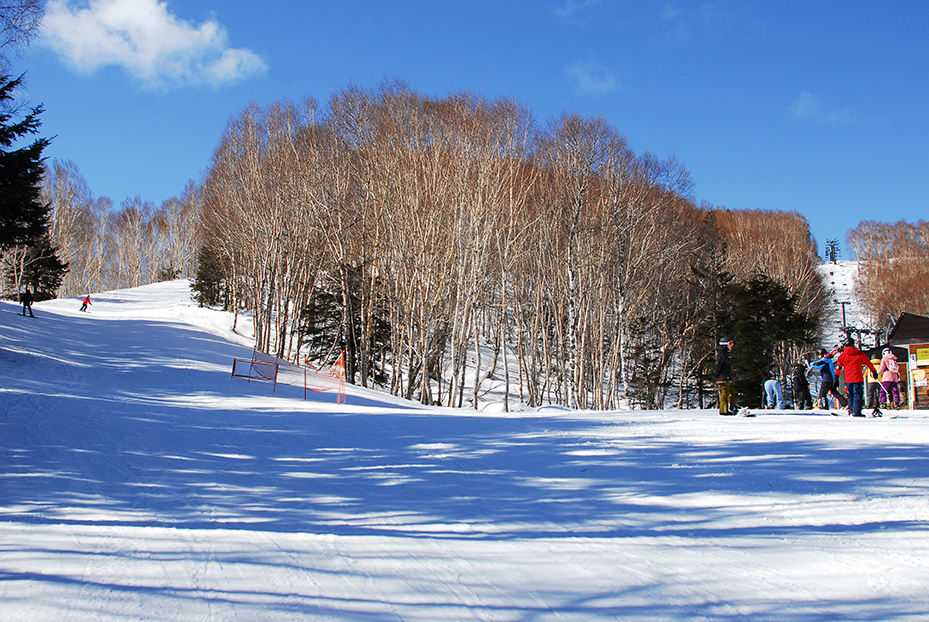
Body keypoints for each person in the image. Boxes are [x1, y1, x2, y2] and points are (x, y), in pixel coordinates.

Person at [836, 338, 878, 417]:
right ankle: (857, 411)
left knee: (850, 394)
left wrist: (836, 378)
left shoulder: (842, 355)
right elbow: (868, 363)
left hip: (848, 379)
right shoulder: (859, 353)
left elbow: (838, 367)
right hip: (857, 378)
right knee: (858, 394)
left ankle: (851, 410)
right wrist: (874, 371)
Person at [715, 337, 735, 415]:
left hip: (726, 376)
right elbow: (718, 364)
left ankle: (732, 407)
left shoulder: (725, 353)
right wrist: (717, 373)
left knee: (731, 391)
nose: (731, 346)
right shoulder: (722, 353)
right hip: (723, 376)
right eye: (730, 344)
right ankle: (723, 410)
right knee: (725, 392)